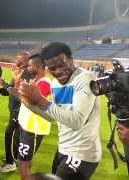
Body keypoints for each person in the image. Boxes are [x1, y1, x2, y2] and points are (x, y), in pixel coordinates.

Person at [16, 42, 101, 180]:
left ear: (71, 59)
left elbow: (76, 121)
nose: (59, 71)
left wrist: (40, 100)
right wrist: (29, 102)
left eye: (62, 64)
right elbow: (53, 117)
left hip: (82, 153)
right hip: (63, 149)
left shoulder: (85, 78)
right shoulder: (56, 83)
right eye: (53, 68)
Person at [0, 51, 31, 173]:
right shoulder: (19, 72)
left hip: (18, 110)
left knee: (10, 134)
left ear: (24, 60)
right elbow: (9, 90)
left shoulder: (27, 74)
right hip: (13, 109)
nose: (15, 59)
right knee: (16, 136)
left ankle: (10, 162)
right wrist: (1, 88)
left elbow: (20, 93)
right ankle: (14, 158)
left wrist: (6, 83)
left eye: (18, 58)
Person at [16, 54, 51, 179]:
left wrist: (20, 92)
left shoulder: (44, 83)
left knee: (24, 164)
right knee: (23, 161)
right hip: (27, 125)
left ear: (38, 66)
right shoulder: (35, 80)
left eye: (30, 65)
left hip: (33, 129)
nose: (28, 68)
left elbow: (32, 101)